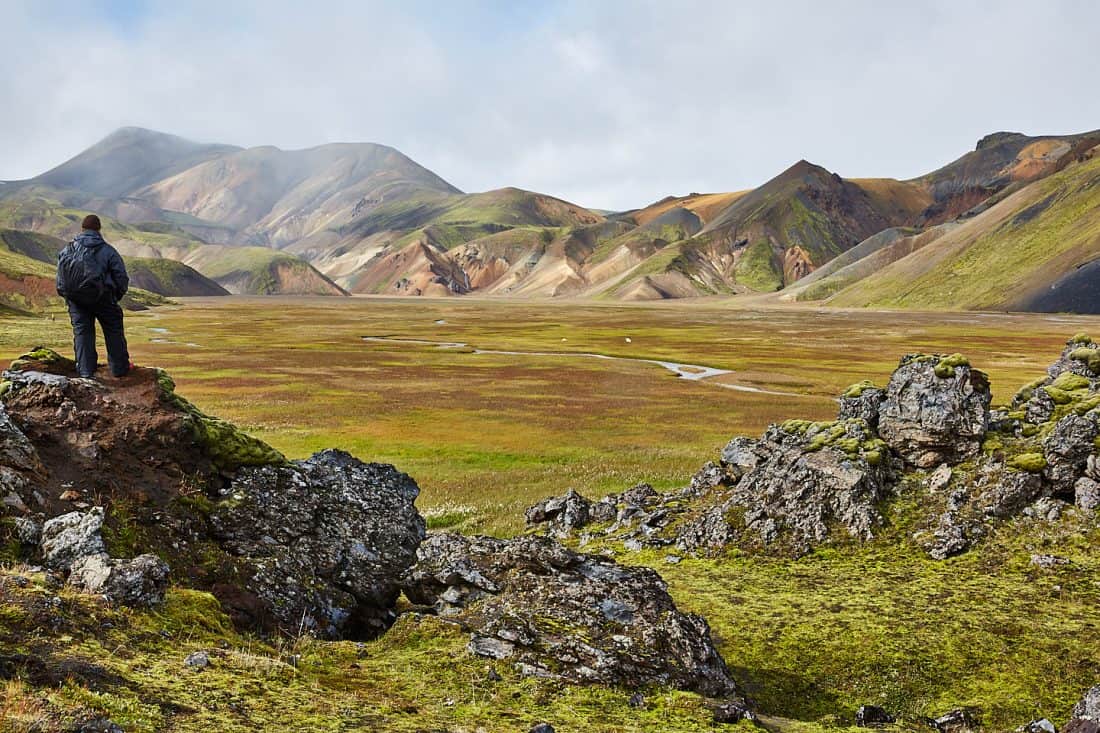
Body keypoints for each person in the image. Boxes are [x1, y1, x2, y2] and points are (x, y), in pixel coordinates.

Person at [56, 214, 131, 379]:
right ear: (98, 230)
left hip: (76, 300)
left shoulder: (67, 250)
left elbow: (61, 281)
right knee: (113, 330)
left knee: (82, 333)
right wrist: (114, 296)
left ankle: (85, 372)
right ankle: (119, 370)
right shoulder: (108, 251)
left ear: (82, 229)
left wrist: (70, 298)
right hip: (103, 298)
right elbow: (121, 278)